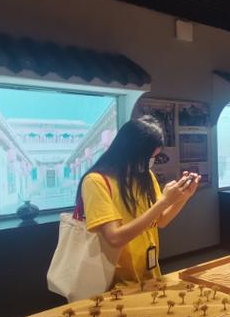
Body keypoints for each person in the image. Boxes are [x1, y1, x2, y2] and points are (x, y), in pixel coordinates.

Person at [78, 116, 200, 288]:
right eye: (149, 156)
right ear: (132, 151)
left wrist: (184, 196)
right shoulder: (96, 181)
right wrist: (164, 201)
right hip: (116, 282)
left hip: (150, 274)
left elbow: (161, 220)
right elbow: (114, 238)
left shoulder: (145, 176)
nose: (150, 162)